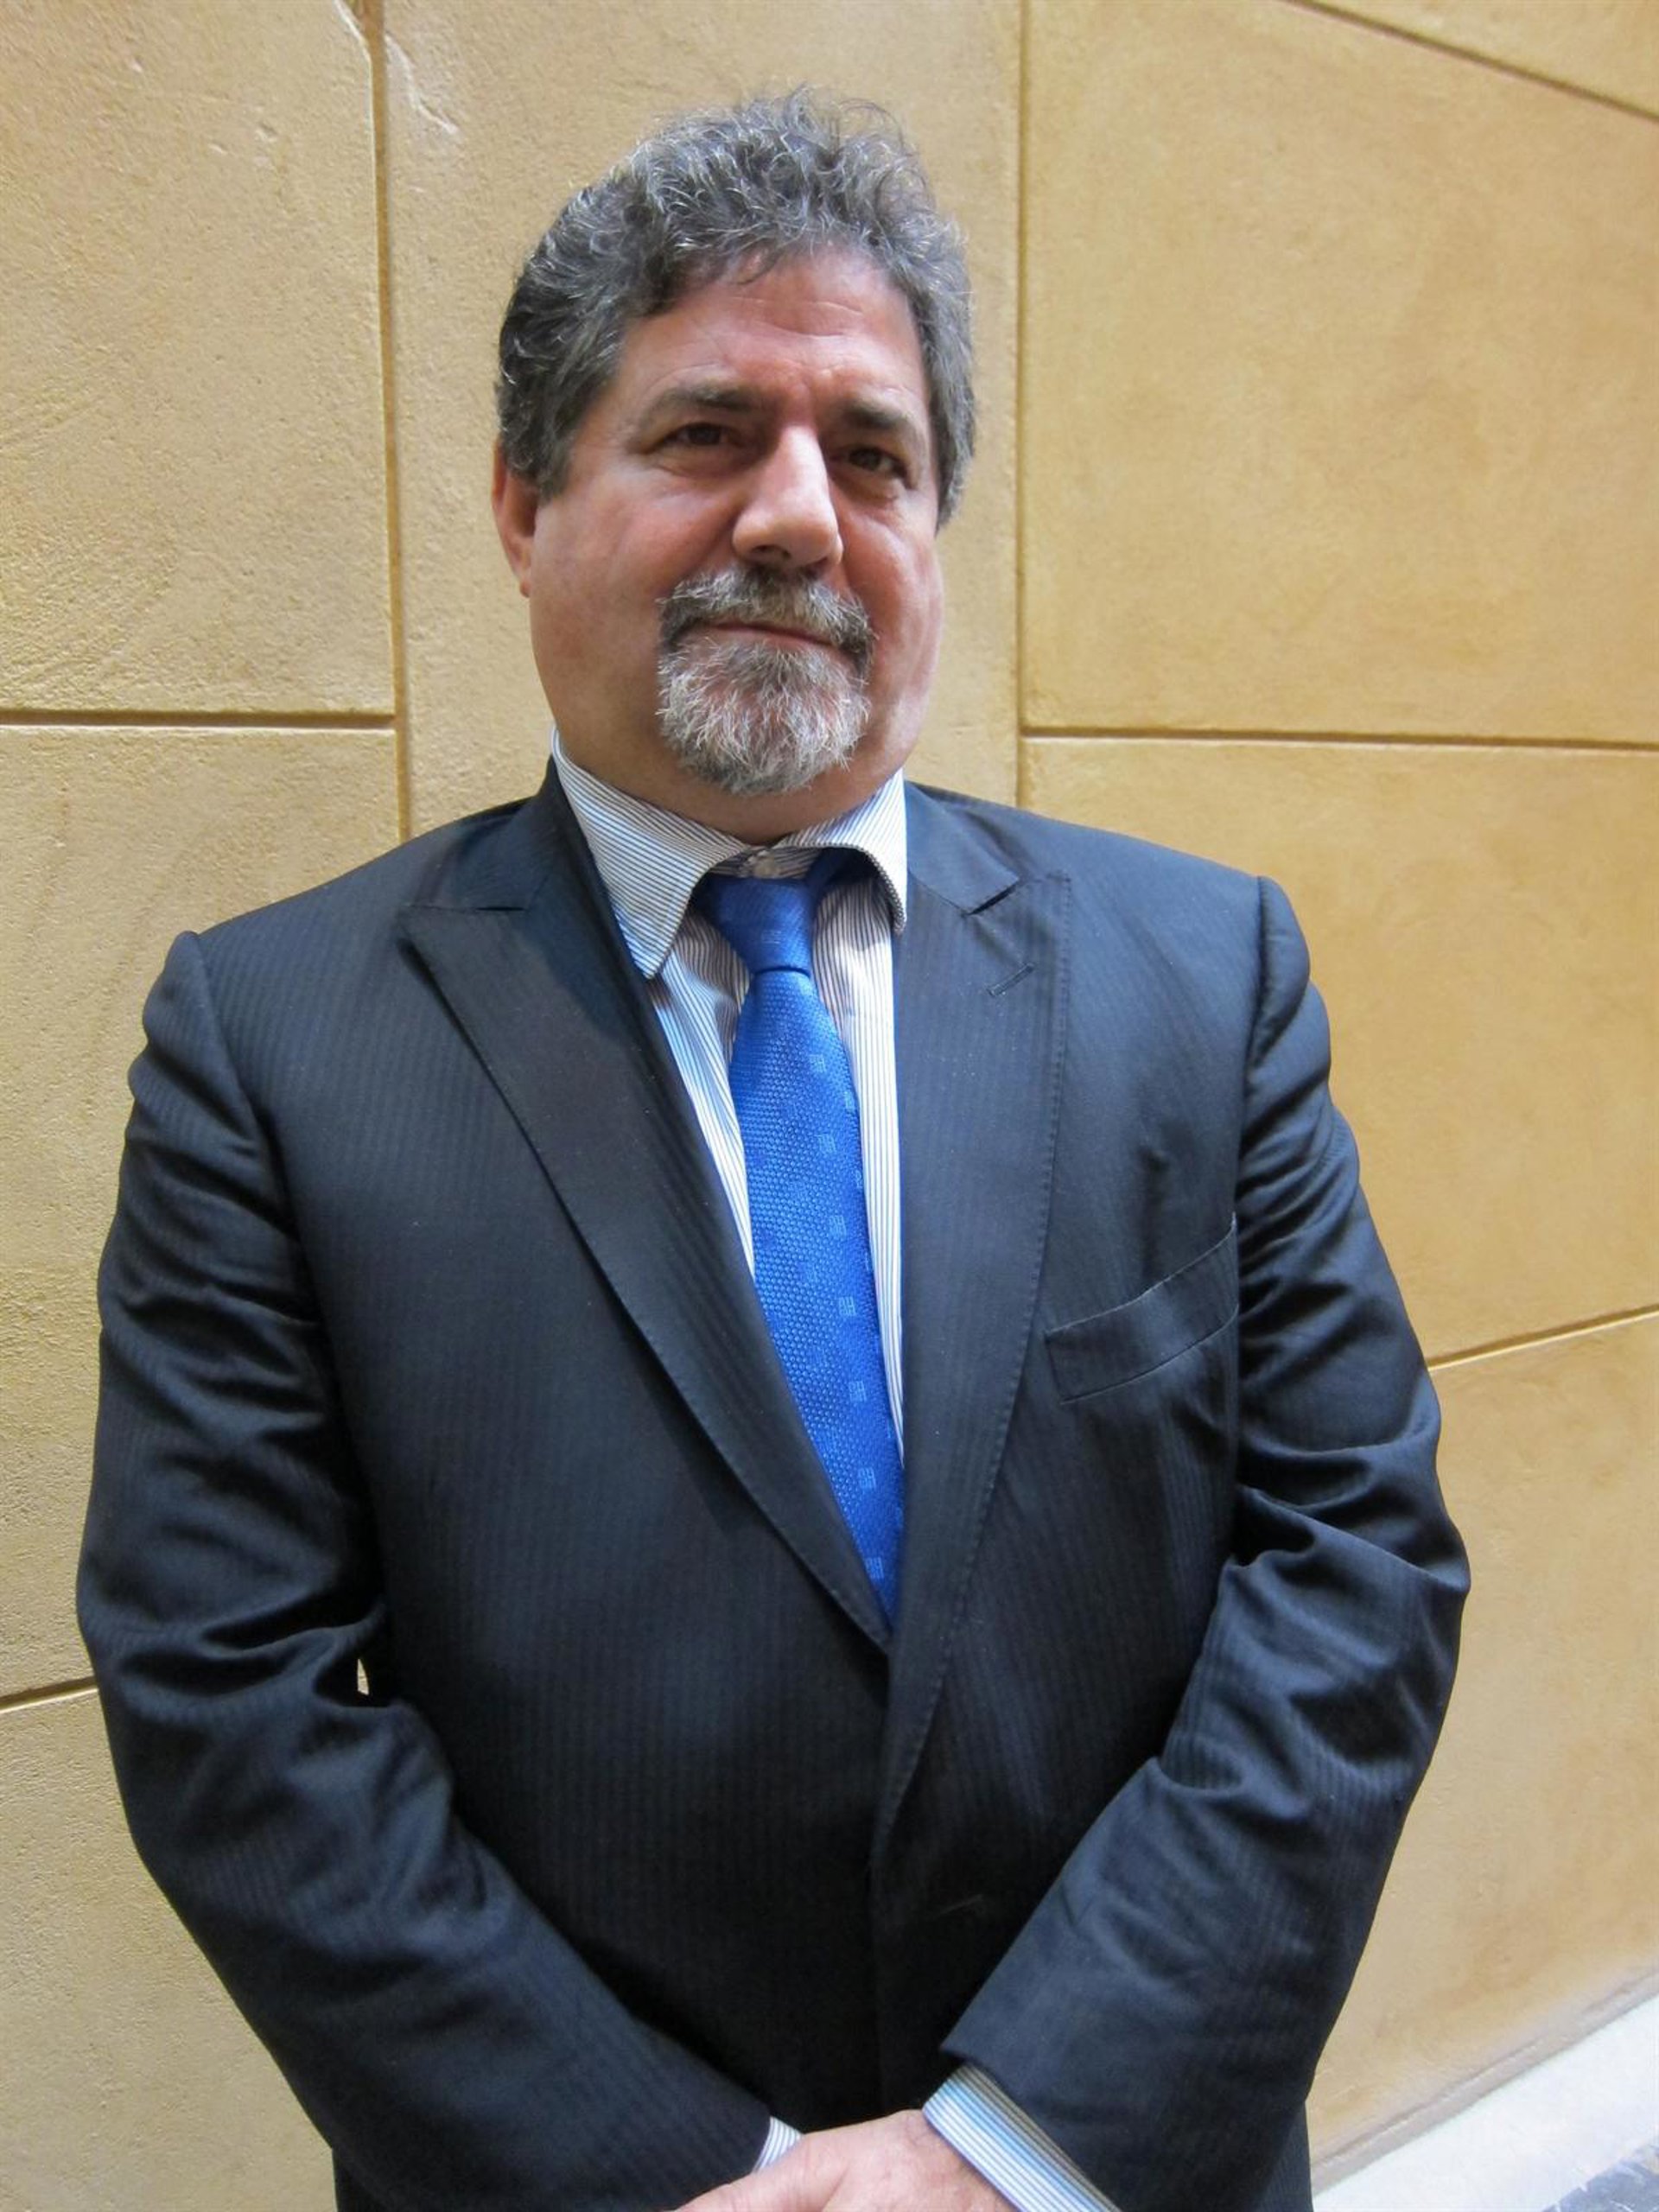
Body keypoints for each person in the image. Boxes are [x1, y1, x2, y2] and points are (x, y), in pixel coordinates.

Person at [79, 92, 1467, 2212]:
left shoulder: (1205, 978)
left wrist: (1015, 2141)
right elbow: (231, 1700)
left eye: (875, 456)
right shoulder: (277, 1045)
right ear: (524, 503)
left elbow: (1352, 1564)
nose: (802, 517)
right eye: (708, 431)